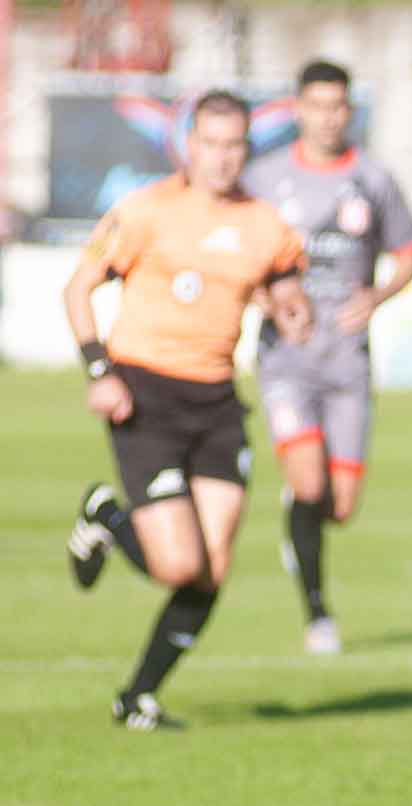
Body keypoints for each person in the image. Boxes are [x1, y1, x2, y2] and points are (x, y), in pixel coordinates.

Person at [63, 89, 312, 730]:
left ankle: (136, 698)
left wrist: (292, 309)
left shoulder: (265, 223)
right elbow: (79, 289)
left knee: (212, 570)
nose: (223, 158)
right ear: (187, 145)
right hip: (144, 394)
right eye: (211, 144)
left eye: (235, 146)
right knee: (177, 564)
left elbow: (284, 287)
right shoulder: (146, 211)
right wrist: (99, 370)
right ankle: (107, 515)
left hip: (218, 403)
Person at [245, 58, 412, 655]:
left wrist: (379, 293)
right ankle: (318, 613)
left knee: (339, 507)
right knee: (308, 480)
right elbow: (235, 257)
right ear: (298, 109)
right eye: (317, 105)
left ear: (350, 111)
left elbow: (409, 249)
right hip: (287, 360)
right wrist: (269, 296)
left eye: (338, 106)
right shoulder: (265, 179)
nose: (328, 117)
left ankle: (302, 517)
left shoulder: (372, 179)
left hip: (348, 363)